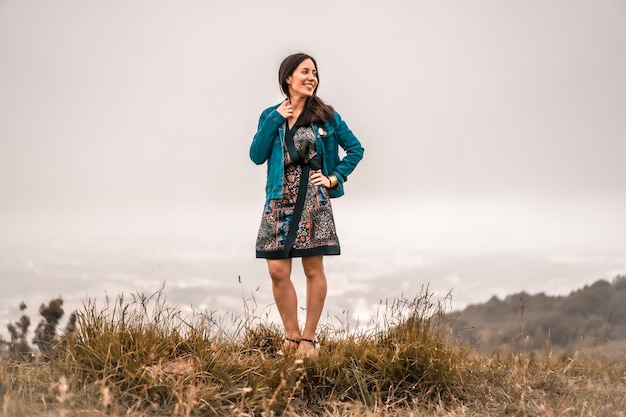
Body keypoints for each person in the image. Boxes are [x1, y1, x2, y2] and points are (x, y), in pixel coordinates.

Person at [250, 53, 364, 357]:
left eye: (314, 72)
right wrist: (277, 117)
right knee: (276, 269)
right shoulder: (270, 115)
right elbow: (256, 154)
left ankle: (308, 340)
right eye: (305, 71)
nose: (312, 77)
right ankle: (291, 336)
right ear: (288, 77)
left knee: (313, 267)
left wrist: (333, 178)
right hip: (278, 197)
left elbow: (355, 149)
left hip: (313, 199)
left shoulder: (326, 115)